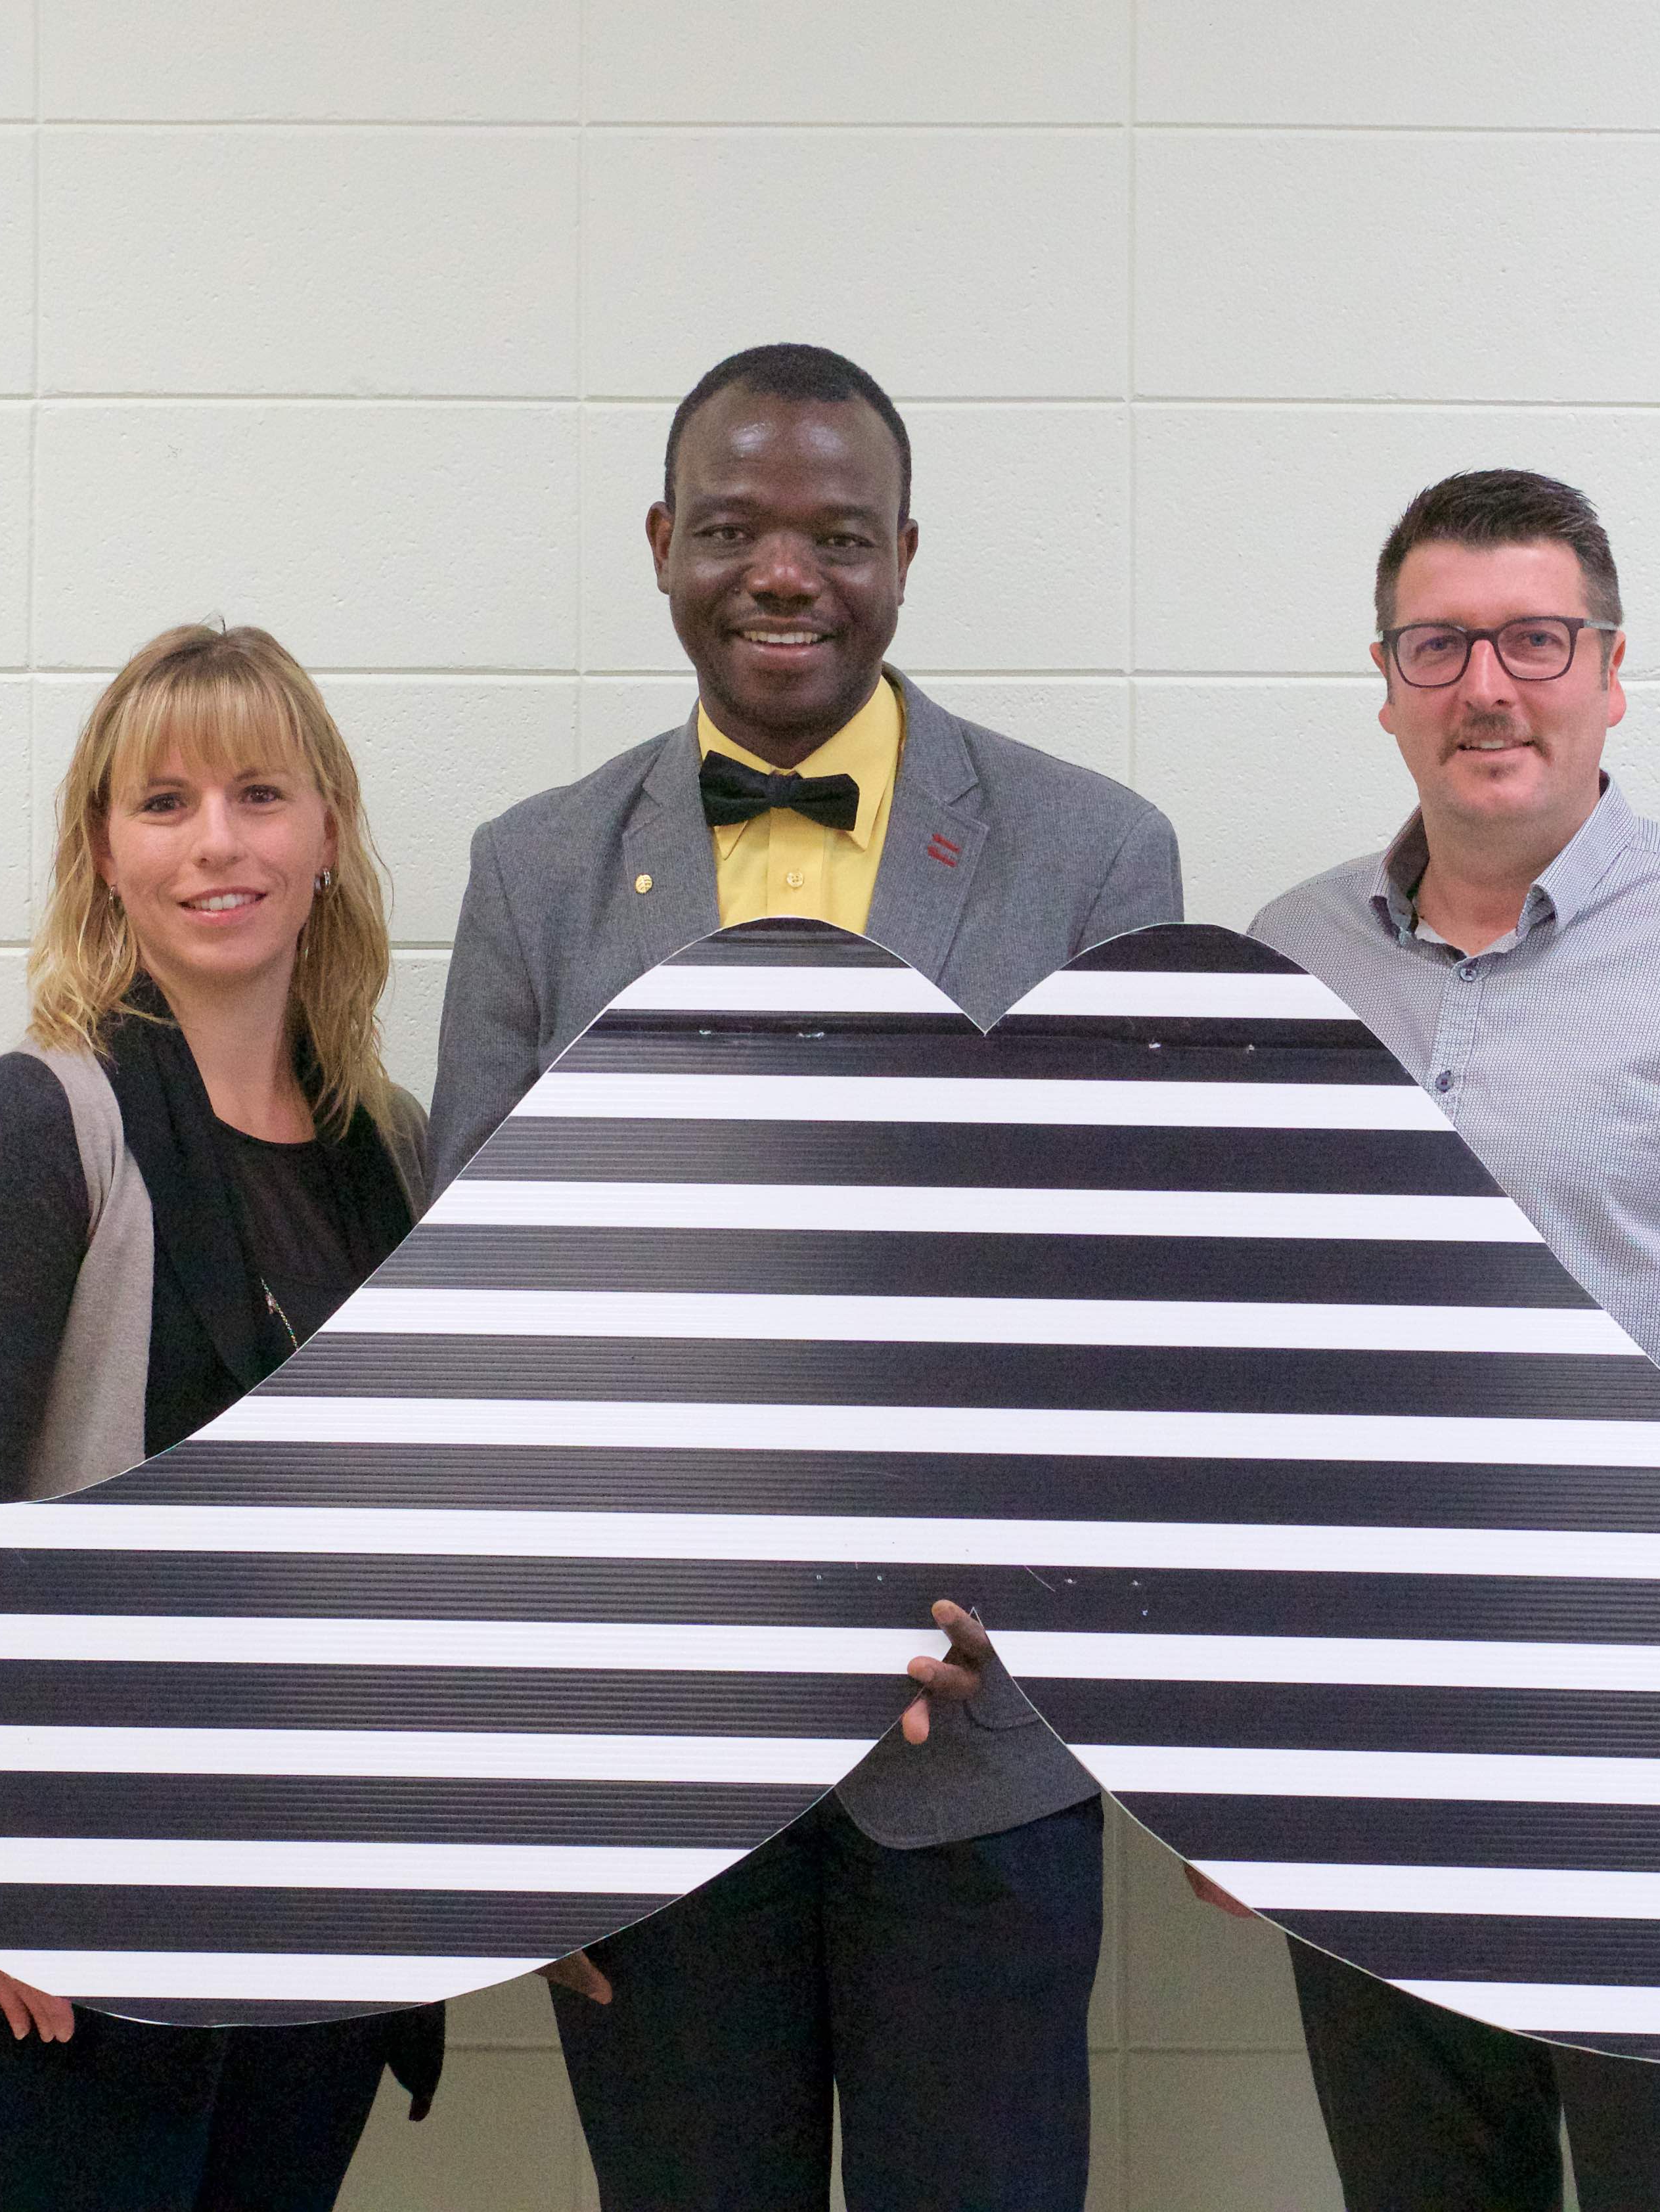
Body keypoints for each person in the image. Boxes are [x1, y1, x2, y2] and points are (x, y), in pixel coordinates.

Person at [427, 342, 1182, 2211]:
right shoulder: (532, 873)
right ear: (660, 544)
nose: (785, 573)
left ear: (903, 556)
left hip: (983, 1750)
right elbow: (480, 1342)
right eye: (735, 529)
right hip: (644, 1770)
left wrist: (1011, 1589)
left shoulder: (1095, 853)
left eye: (838, 535)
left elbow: (1127, 1306)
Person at [1242, 469, 1660, 2209]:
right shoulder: (1279, 962)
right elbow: (1237, 1373)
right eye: (1438, 645)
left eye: (1535, 641)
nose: (1487, 687)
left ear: (1611, 672)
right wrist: (1224, 1744)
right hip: (1365, 1760)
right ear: (1384, 683)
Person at [0, 622, 441, 2210]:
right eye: (164, 802)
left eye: (260, 795)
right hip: (81, 1904)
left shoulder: (390, 1150)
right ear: (103, 853)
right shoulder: (40, 1117)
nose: (217, 843)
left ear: (326, 835)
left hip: (326, 1908)